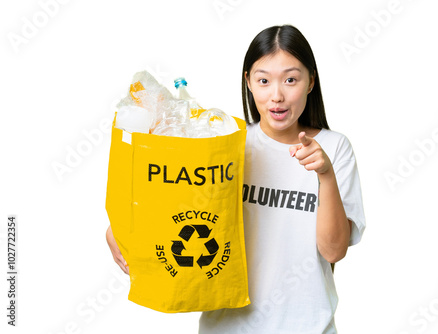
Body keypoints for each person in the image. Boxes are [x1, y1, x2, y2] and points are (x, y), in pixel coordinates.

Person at [106, 24, 365, 334]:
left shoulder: (334, 149)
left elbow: (334, 251)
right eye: (264, 81)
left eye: (291, 80)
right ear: (249, 82)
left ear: (311, 82)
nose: (277, 96)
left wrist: (326, 175)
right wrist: (122, 231)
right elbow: (171, 205)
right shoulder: (227, 145)